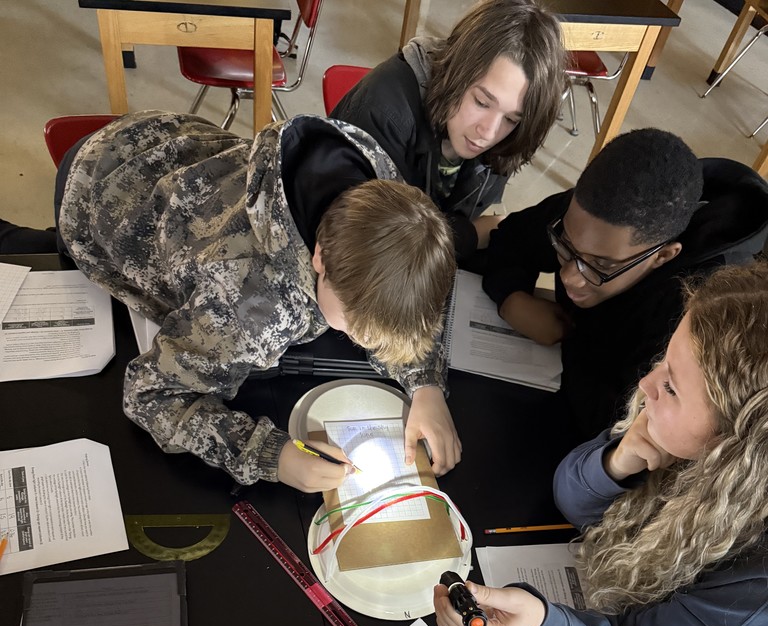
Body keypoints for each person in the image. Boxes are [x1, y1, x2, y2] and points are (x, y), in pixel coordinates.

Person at [11, 111, 461, 489]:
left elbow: (407, 288)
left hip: (174, 145)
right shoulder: (247, 306)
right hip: (97, 189)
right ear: (320, 257)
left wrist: (424, 383)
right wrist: (272, 457)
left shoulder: (385, 198)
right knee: (35, 257)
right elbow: (152, 394)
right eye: (359, 329)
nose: (364, 342)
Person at [435, 263, 768, 626]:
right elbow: (574, 500)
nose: (646, 384)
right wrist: (618, 461)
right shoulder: (678, 436)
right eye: (663, 363)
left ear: (735, 446)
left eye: (670, 387)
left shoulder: (758, 597)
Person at [483, 128, 768, 439]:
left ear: (662, 256)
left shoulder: (697, 314)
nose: (568, 277)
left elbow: (619, 423)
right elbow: (510, 240)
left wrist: (572, 339)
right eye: (566, 246)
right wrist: (511, 298)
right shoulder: (600, 211)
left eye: (600, 264)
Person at [330, 0, 565, 264]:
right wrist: (475, 233)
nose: (488, 132)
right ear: (456, 73)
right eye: (482, 102)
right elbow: (379, 250)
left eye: (511, 118)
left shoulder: (511, 133)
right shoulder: (383, 110)